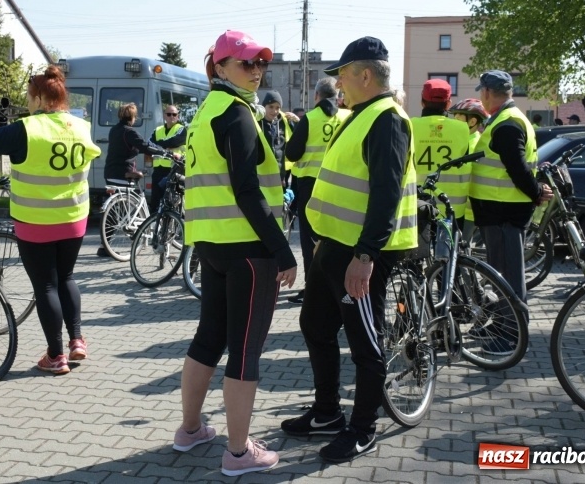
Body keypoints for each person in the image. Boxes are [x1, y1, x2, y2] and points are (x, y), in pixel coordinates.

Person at [281, 37, 417, 463]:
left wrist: (365, 256)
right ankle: (327, 413)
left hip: (360, 252)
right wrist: (324, 240)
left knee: (364, 340)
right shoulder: (359, 114)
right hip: (335, 245)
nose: (338, 83)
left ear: (365, 75)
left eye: (342, 74)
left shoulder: (387, 119)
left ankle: (362, 429)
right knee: (315, 325)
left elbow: (386, 194)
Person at [176, 30, 297, 477]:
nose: (257, 70)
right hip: (248, 249)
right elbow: (248, 191)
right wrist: (283, 250)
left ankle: (190, 430)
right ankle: (240, 453)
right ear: (221, 67)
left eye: (261, 62)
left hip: (210, 244)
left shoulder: (204, 112)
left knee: (209, 337)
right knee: (245, 349)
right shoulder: (237, 114)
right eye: (247, 63)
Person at [0, 65, 101, 374]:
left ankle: (56, 356)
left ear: (40, 99)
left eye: (29, 97)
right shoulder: (81, 127)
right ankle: (77, 340)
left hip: (35, 219)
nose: (27, 103)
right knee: (66, 277)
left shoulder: (27, 128)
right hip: (74, 216)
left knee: (46, 286)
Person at [470, 70, 553, 355]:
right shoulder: (508, 119)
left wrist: (536, 192)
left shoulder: (506, 123)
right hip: (499, 211)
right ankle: (502, 324)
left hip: (503, 212)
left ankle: (512, 335)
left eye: (482, 92)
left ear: (487, 93)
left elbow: (517, 168)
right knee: (500, 274)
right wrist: (536, 191)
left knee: (508, 276)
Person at [284, 76, 349, 305]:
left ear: (316, 96)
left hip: (311, 187)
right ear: (338, 95)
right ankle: (338, 288)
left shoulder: (310, 119)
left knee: (310, 240)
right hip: (343, 186)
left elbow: (292, 153)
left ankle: (312, 290)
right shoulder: (348, 117)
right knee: (338, 238)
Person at [97, 102, 166, 256]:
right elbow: (145, 146)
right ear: (133, 117)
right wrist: (164, 152)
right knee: (123, 209)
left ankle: (105, 245)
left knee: (117, 209)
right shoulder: (129, 132)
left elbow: (127, 148)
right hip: (123, 173)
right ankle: (131, 236)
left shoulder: (114, 130)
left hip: (110, 172)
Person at [410, 79, 470, 227]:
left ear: (422, 102)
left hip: (418, 203)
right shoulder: (462, 129)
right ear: (448, 104)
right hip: (453, 207)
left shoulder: (409, 125)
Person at [448, 98, 488, 242]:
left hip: (467, 210)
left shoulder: (475, 144)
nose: (454, 120)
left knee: (459, 248)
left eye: (459, 116)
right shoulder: (462, 141)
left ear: (472, 121)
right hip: (458, 208)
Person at [148, 104, 185, 213]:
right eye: (169, 114)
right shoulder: (157, 130)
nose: (171, 116)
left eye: (174, 114)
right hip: (158, 170)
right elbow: (149, 144)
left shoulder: (181, 129)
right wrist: (166, 145)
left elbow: (175, 141)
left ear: (178, 116)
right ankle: (154, 221)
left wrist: (159, 144)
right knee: (155, 201)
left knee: (171, 201)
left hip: (173, 170)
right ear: (164, 116)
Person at [259, 90, 298, 181]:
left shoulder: (285, 122)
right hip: (260, 175)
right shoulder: (256, 121)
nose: (274, 111)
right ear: (264, 106)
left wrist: (297, 121)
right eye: (271, 107)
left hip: (280, 175)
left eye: (278, 107)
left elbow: (298, 137)